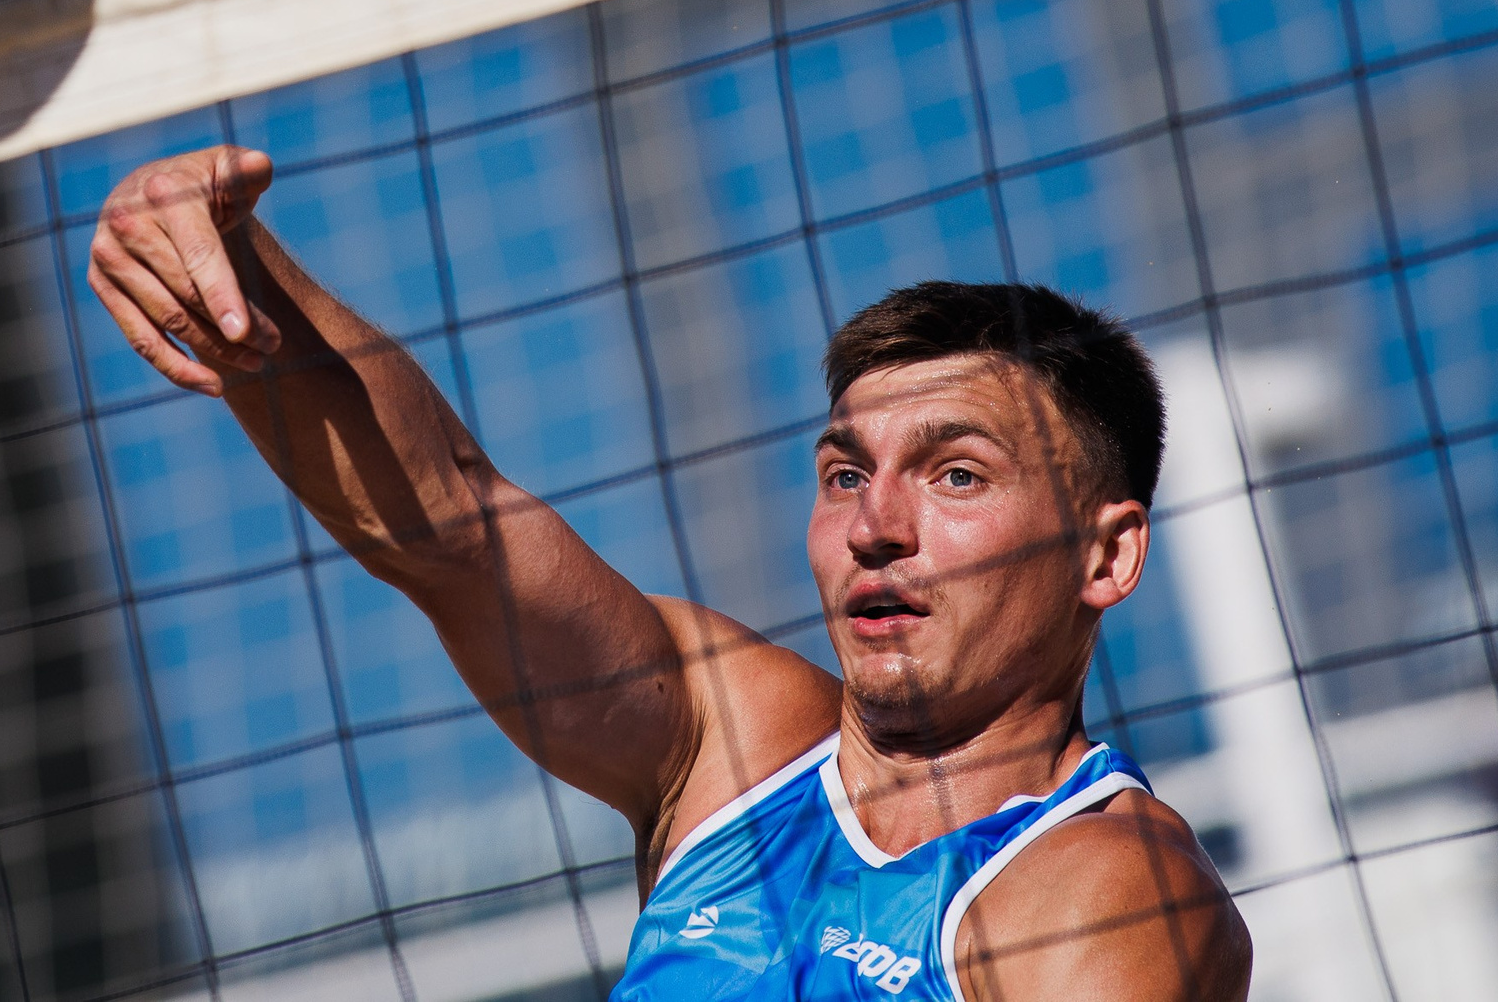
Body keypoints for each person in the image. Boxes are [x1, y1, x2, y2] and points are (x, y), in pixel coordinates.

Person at [87, 144, 1250, 1001]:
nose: (875, 524)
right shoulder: (730, 747)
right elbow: (451, 525)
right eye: (844, 474)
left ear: (1106, 554)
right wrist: (226, 272)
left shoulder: (1102, 887)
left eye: (954, 476)